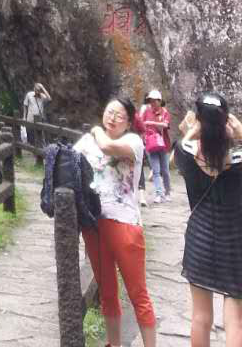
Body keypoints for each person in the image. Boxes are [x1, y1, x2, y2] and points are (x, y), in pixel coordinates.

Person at [75, 97, 157, 347]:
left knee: (137, 293)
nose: (111, 117)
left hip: (124, 225)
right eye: (109, 111)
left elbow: (108, 148)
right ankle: (114, 344)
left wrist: (97, 130)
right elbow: (71, 166)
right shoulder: (86, 142)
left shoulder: (132, 141)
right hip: (94, 223)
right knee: (107, 292)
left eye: (119, 115)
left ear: (129, 122)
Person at [173, 92, 242, 347]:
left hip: (199, 240)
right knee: (236, 321)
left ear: (199, 121)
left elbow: (176, 153)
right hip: (235, 243)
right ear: (226, 121)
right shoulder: (238, 160)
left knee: (200, 317)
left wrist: (191, 132)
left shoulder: (187, 155)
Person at [140, 89, 172, 203]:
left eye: (154, 101)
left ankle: (168, 192)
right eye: (150, 101)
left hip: (163, 145)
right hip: (150, 144)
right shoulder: (146, 111)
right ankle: (159, 194)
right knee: (156, 170)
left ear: (159, 101)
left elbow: (166, 125)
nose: (152, 103)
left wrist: (152, 123)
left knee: (165, 171)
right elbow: (141, 123)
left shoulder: (165, 112)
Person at [23, 81, 51, 146]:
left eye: (39, 90)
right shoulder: (29, 94)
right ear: (34, 89)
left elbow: (49, 99)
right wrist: (24, 116)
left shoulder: (42, 96)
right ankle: (33, 150)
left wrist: (42, 87)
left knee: (40, 136)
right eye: (36, 90)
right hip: (30, 119)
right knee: (30, 136)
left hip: (39, 120)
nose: (37, 91)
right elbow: (25, 105)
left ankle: (40, 150)